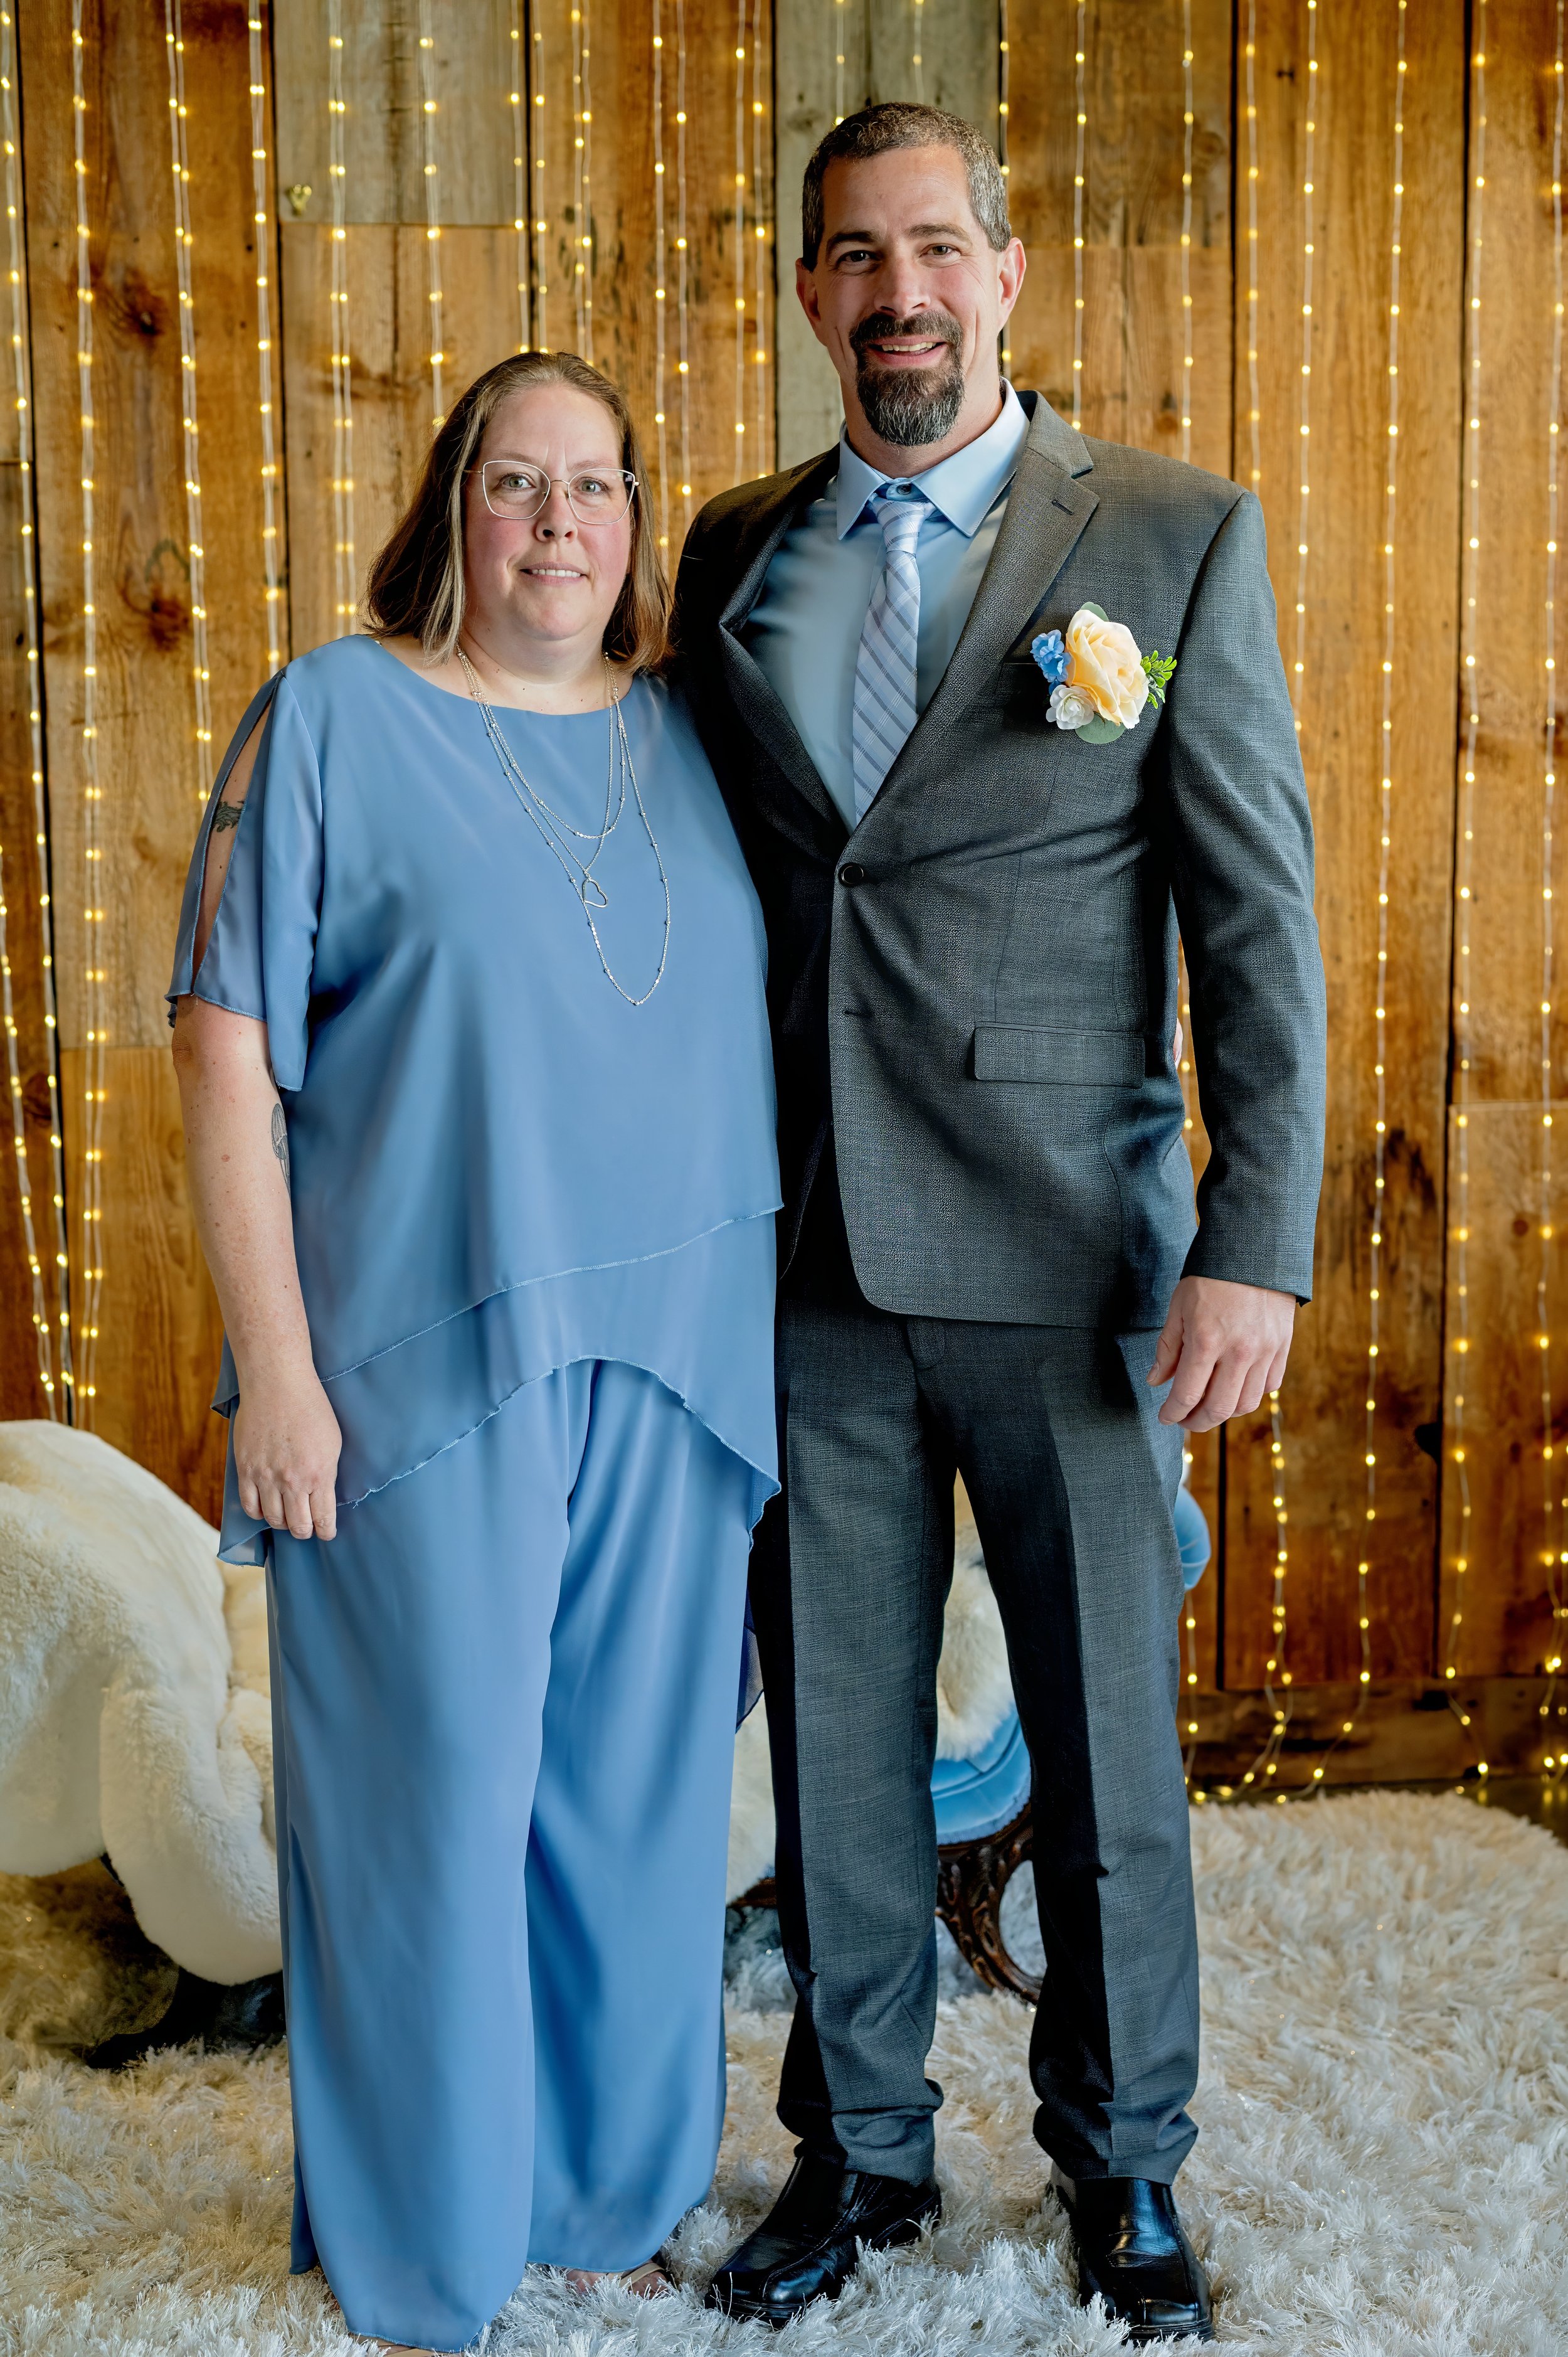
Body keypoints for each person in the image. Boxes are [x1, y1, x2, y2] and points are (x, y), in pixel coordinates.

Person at [677, 103, 1326, 2344]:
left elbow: (1254, 921)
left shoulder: (1167, 533)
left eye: (935, 249)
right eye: (853, 259)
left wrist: (1258, 1239)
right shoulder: (730, 550)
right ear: (808, 297)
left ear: (1007, 273)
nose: (899, 297)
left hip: (1073, 1262)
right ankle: (857, 2158)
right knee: (834, 1740)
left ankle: (1123, 2172)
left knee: (1102, 1753)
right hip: (805, 1255)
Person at [168, 351, 781, 2354]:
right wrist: (275, 1368)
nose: (555, 524)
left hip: (683, 1357)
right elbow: (227, 1037)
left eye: (593, 485)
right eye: (514, 482)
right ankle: (421, 2256)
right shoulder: (334, 715)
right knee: (426, 1808)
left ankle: (606, 2203)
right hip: (421, 1367)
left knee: (633, 1804)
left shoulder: (697, 728)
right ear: (452, 506)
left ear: (631, 518)